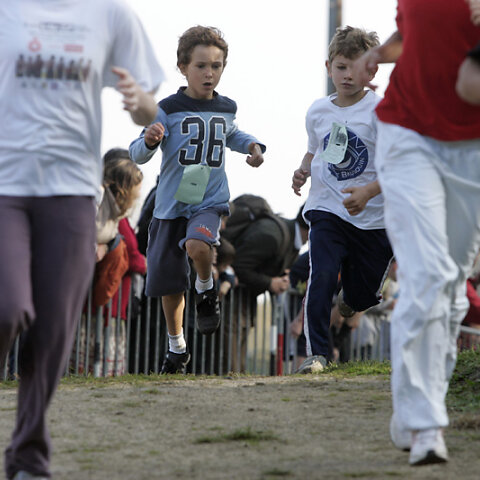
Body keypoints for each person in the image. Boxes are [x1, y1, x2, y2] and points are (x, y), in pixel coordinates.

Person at [0, 0, 164, 477]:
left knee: (54, 328)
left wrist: (140, 103)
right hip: (7, 184)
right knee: (8, 308)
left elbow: (149, 108)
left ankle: (28, 457)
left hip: (73, 191)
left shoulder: (110, 15)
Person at [352, 0, 480, 466]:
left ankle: (421, 400)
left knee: (452, 285)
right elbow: (414, 34)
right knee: (427, 273)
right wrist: (381, 54)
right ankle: (425, 423)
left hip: (472, 147)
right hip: (407, 133)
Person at [129, 26, 265, 375]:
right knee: (169, 285)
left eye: (216, 66)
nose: (209, 73)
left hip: (209, 200)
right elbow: (137, 153)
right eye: (201, 66)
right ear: (183, 67)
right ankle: (176, 349)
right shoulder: (167, 108)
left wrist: (252, 146)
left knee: (198, 244)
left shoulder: (226, 107)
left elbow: (232, 134)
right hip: (169, 207)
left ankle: (206, 289)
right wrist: (150, 139)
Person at [291, 26, 394, 375]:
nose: (348, 75)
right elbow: (314, 151)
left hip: (373, 219)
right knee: (321, 274)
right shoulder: (318, 111)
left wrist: (367, 193)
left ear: (372, 71)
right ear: (328, 67)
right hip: (328, 209)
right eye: (341, 67)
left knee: (362, 296)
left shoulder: (381, 111)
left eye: (356, 67)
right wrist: (302, 171)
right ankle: (317, 354)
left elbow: (397, 167)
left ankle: (350, 300)